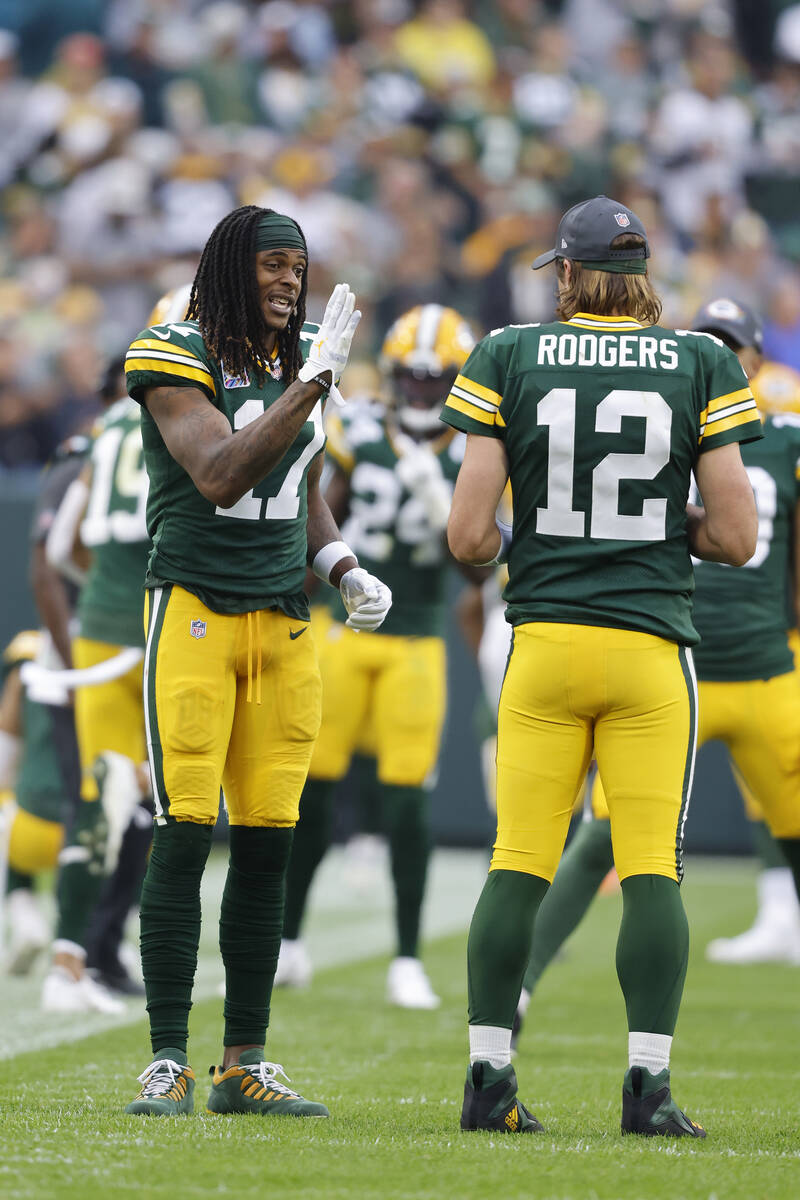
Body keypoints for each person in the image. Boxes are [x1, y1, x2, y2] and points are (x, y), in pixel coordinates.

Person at [442, 196, 761, 1137]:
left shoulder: (510, 352)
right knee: (653, 869)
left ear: (570, 275)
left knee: (517, 865)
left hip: (542, 644)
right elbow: (739, 537)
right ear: (642, 275)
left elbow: (468, 537)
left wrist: (536, 534)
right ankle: (647, 1089)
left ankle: (489, 1078)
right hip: (650, 647)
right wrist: (667, 529)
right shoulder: (703, 360)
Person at [122, 204, 390, 1118]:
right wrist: (309, 385)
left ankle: (244, 1062)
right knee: (186, 827)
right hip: (194, 607)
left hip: (284, 621)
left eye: (298, 266)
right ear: (231, 265)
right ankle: (167, 1058)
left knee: (271, 843)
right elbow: (223, 472)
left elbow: (298, 478)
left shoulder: (305, 353)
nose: (288, 280)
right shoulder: (172, 349)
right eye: (273, 264)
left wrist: (339, 562)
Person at [513, 301, 800, 1038]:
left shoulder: (775, 433)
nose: (719, 356)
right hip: (676, 667)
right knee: (603, 834)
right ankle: (519, 987)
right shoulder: (657, 415)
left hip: (770, 670)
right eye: (707, 343)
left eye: (732, 347)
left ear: (756, 364)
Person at [276, 304, 475, 1008]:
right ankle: (290, 941)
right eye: (411, 379)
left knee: (407, 805)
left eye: (435, 379)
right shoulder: (358, 428)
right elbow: (311, 517)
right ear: (392, 377)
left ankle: (408, 956)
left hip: (417, 636)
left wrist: (451, 509)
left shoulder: (472, 445)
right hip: (343, 632)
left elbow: (480, 571)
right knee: (314, 791)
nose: (422, 391)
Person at [40, 356, 154, 1013]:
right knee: (157, 796)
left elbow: (59, 552)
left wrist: (103, 592)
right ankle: (111, 956)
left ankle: (71, 960)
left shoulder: (102, 431)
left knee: (102, 795)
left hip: (100, 631)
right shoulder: (191, 422)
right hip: (161, 630)